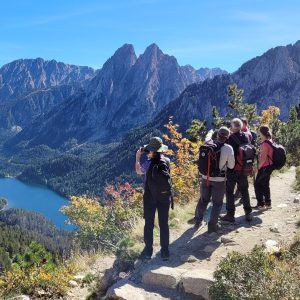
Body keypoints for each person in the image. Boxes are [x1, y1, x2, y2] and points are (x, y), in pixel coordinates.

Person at [135, 137, 172, 261]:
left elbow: (138, 171)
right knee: (164, 223)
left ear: (152, 150)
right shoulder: (166, 161)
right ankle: (165, 251)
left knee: (149, 223)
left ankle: (148, 250)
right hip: (164, 196)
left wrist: (138, 157)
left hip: (150, 197)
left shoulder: (148, 163)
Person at [194, 127, 235, 232]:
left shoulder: (208, 143)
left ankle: (197, 221)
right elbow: (231, 166)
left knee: (203, 200)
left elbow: (207, 136)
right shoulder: (228, 148)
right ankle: (212, 226)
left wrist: (211, 131)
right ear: (227, 137)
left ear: (217, 135)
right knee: (217, 203)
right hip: (219, 180)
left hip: (205, 177)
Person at [220, 118, 253, 223]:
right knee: (244, 190)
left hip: (232, 170)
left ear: (232, 127)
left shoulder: (230, 139)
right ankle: (248, 213)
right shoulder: (246, 136)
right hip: (243, 169)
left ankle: (230, 215)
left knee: (229, 192)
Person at [254, 126, 274, 210]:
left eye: (259, 132)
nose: (258, 134)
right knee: (265, 185)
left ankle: (261, 204)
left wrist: (257, 168)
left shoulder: (265, 144)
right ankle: (268, 203)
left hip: (264, 167)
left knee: (257, 184)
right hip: (269, 166)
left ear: (262, 133)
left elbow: (263, 159)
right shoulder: (270, 141)